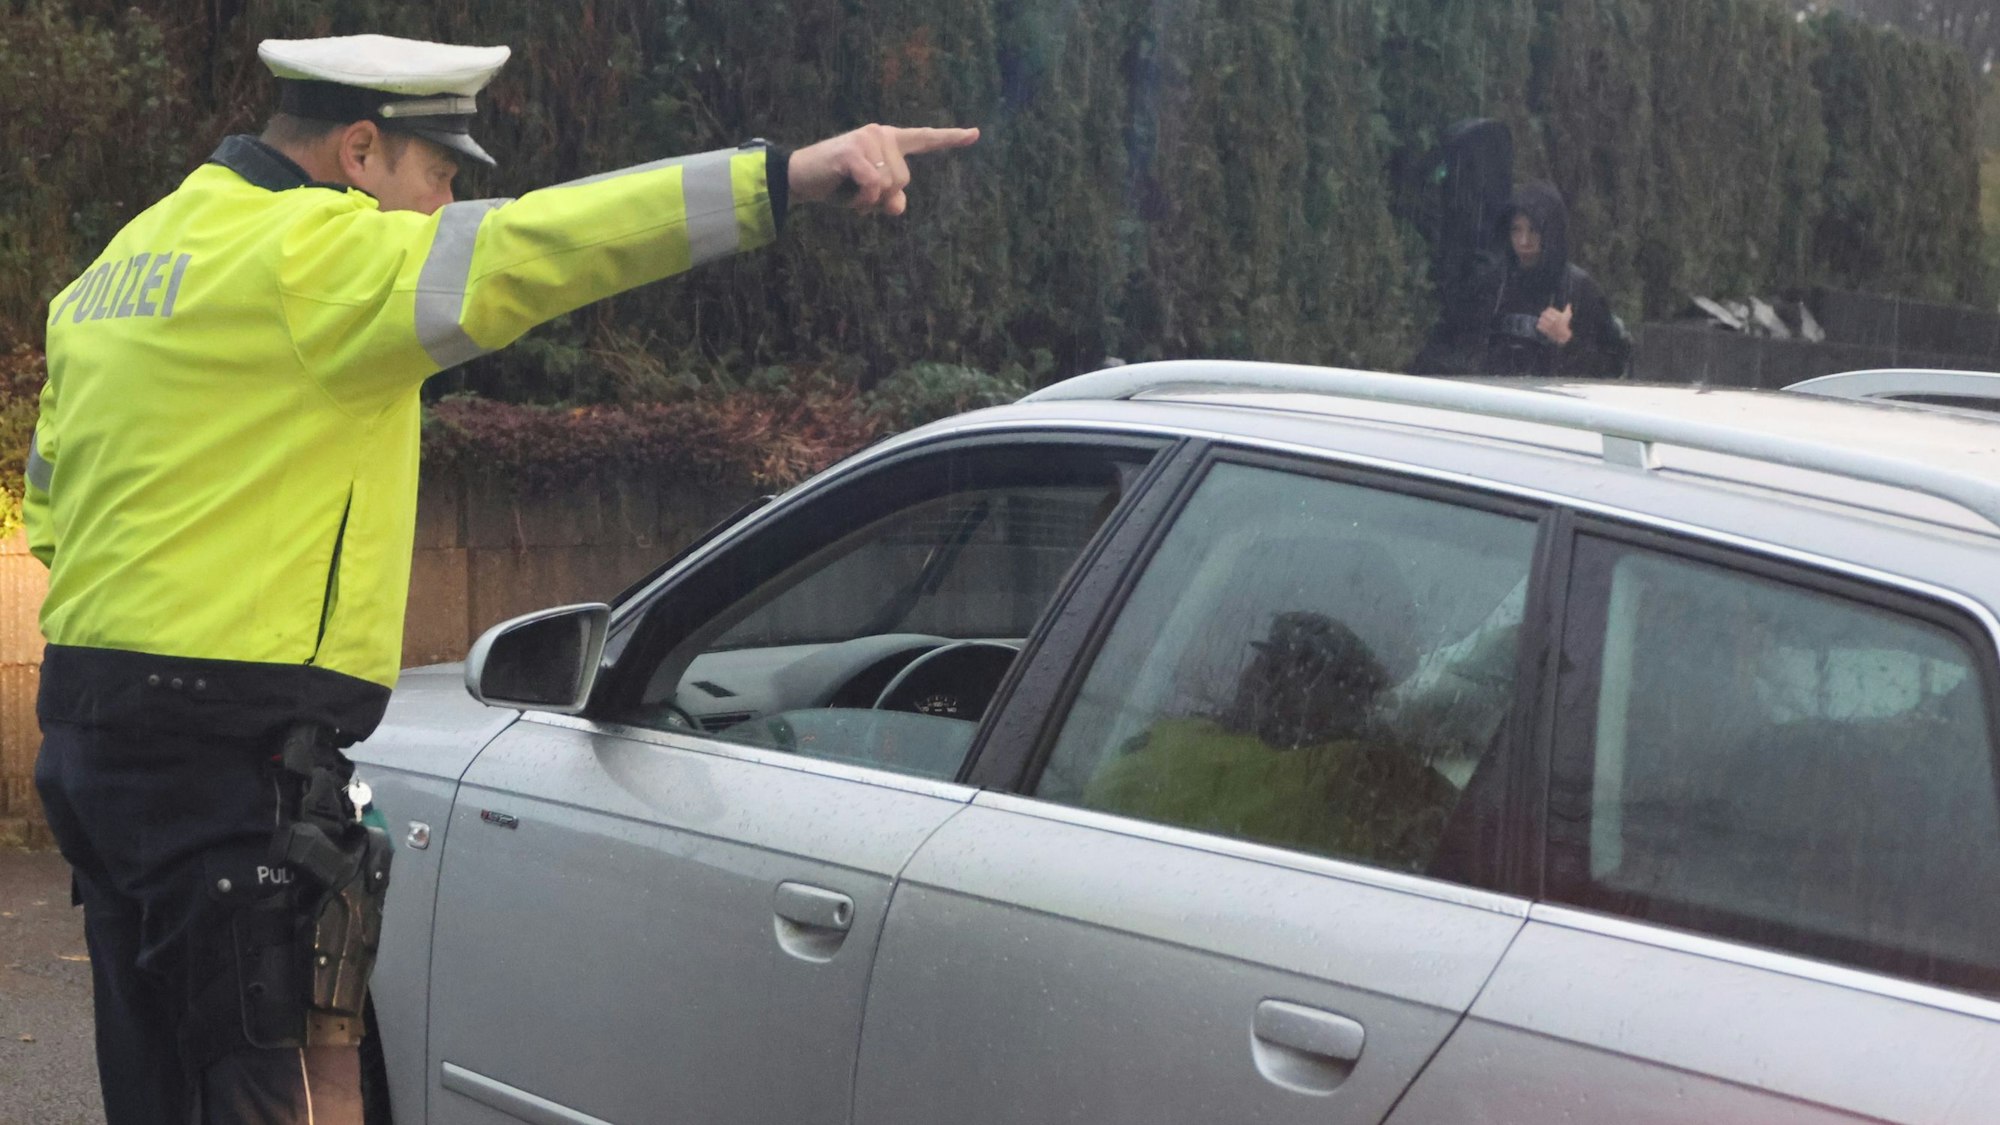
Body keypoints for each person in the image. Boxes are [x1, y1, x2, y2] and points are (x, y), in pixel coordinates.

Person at [22, 33, 977, 1124]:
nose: (445, 208)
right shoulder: (313, 254)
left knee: (154, 1088)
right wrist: (784, 176)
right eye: (438, 176)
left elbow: (53, 509)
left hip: (92, 745)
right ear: (361, 150)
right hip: (230, 760)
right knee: (273, 1095)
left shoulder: (123, 264)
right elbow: (544, 245)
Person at [1480, 181, 1632, 378]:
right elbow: (1463, 356)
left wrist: (1567, 339)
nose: (1524, 241)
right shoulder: (1491, 284)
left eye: (1534, 230)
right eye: (1516, 230)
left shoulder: (1579, 289)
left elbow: (1612, 369)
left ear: (1550, 233)